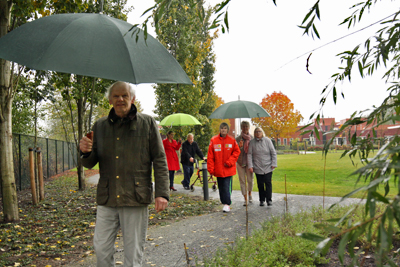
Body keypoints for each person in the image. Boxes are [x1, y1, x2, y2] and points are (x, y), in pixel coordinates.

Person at [79, 81, 169, 267]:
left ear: (132, 98)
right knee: (101, 249)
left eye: (124, 95)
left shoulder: (147, 123)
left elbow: (160, 159)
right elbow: (90, 162)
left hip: (135, 197)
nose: (120, 99)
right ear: (110, 100)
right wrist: (85, 151)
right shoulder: (100, 126)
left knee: (133, 255)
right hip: (108, 197)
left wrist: (162, 193)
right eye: (116, 96)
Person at [207, 122, 240, 212]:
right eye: (222, 128)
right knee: (221, 187)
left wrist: (230, 162)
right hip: (218, 169)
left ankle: (227, 204)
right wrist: (210, 168)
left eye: (225, 128)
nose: (223, 130)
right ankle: (224, 202)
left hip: (228, 169)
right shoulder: (213, 140)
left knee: (226, 186)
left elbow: (236, 152)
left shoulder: (232, 140)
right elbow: (210, 155)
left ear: (228, 130)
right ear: (219, 129)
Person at [247, 127, 277, 207]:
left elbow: (273, 152)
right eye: (256, 132)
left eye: (259, 131)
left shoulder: (267, 141)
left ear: (262, 132)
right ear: (254, 133)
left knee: (268, 183)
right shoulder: (252, 142)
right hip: (257, 166)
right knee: (260, 184)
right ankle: (262, 200)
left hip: (268, 166)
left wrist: (274, 163)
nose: (258, 133)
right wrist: (250, 165)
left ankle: (269, 200)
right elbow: (249, 154)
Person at [235, 121, 254, 206]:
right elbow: (235, 151)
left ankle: (250, 193)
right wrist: (240, 147)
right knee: (242, 181)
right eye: (243, 126)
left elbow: (254, 151)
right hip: (240, 162)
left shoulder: (252, 138)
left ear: (249, 127)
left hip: (249, 162)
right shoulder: (238, 139)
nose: (245, 128)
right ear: (241, 128)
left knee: (250, 180)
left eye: (246, 126)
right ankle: (245, 199)